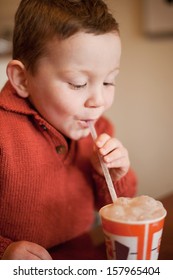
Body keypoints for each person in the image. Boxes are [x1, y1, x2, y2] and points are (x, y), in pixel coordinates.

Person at [0, 0, 137, 260]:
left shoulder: (100, 127)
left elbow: (121, 211)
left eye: (109, 81)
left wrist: (115, 175)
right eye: (78, 83)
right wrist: (4, 251)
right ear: (22, 79)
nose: (98, 101)